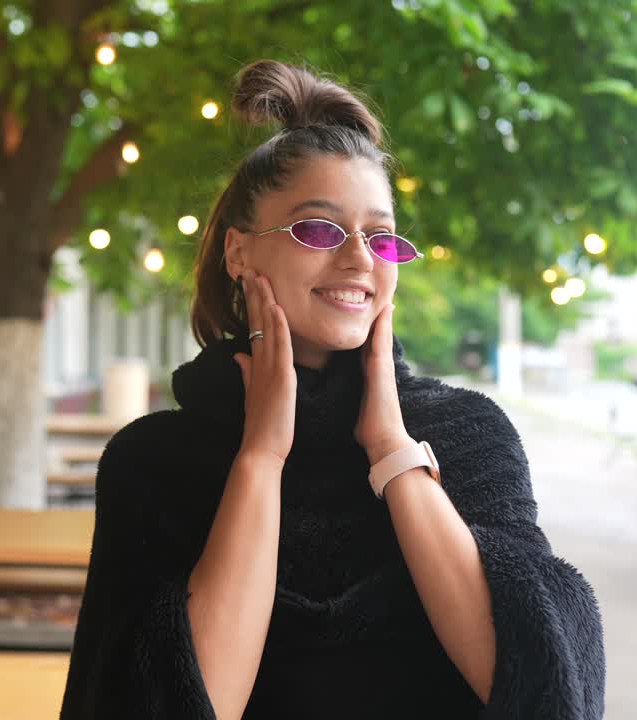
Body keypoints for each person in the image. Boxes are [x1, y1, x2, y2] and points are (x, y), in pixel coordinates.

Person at [59, 60, 605, 719]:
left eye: (381, 236)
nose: (358, 259)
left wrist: (393, 449)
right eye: (317, 229)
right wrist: (261, 455)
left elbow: (537, 684)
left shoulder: (468, 434)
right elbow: (177, 700)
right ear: (239, 253)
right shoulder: (154, 461)